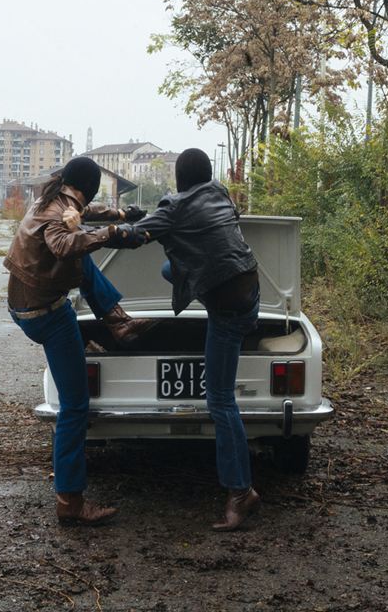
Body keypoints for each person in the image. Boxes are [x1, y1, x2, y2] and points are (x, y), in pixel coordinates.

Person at [117, 147, 262, 531]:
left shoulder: (176, 206)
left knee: (220, 400)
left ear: (179, 179)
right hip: (251, 292)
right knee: (174, 265)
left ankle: (240, 491)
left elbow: (135, 237)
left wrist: (102, 232)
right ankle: (192, 281)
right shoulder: (220, 193)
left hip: (227, 312)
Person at [4, 156, 152, 526]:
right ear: (88, 185)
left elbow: (84, 214)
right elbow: (62, 243)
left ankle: (117, 322)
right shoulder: (59, 215)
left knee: (84, 261)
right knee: (74, 407)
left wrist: (121, 216)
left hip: (25, 304)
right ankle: (70, 501)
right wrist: (112, 236)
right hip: (45, 315)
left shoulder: (54, 198)